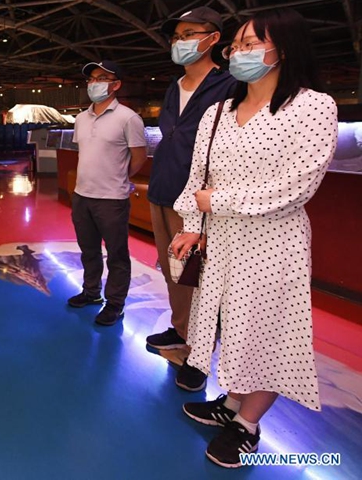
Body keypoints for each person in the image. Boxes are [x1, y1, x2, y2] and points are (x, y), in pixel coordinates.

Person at [170, 9, 337, 468]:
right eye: (236, 46)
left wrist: (215, 203)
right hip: (222, 242)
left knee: (267, 332)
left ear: (283, 49)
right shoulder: (217, 112)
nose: (238, 53)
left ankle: (247, 423)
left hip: (273, 244)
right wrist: (191, 223)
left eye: (250, 44)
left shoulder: (313, 107)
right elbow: (198, 177)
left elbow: (296, 187)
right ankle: (231, 403)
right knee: (232, 326)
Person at [145, 6, 237, 392]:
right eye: (176, 37)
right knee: (175, 271)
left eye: (188, 34)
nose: (179, 42)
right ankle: (182, 329)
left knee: (203, 276)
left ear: (212, 38)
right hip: (163, 190)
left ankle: (201, 351)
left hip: (199, 201)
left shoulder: (229, 85)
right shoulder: (174, 86)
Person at [68, 60, 147, 326]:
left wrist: (120, 176)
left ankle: (115, 303)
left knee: (117, 254)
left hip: (112, 199)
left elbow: (138, 156)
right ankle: (91, 291)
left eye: (101, 78)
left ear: (116, 85)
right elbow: (85, 153)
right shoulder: (81, 118)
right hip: (82, 195)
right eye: (91, 79)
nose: (94, 83)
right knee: (88, 250)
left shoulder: (128, 118)